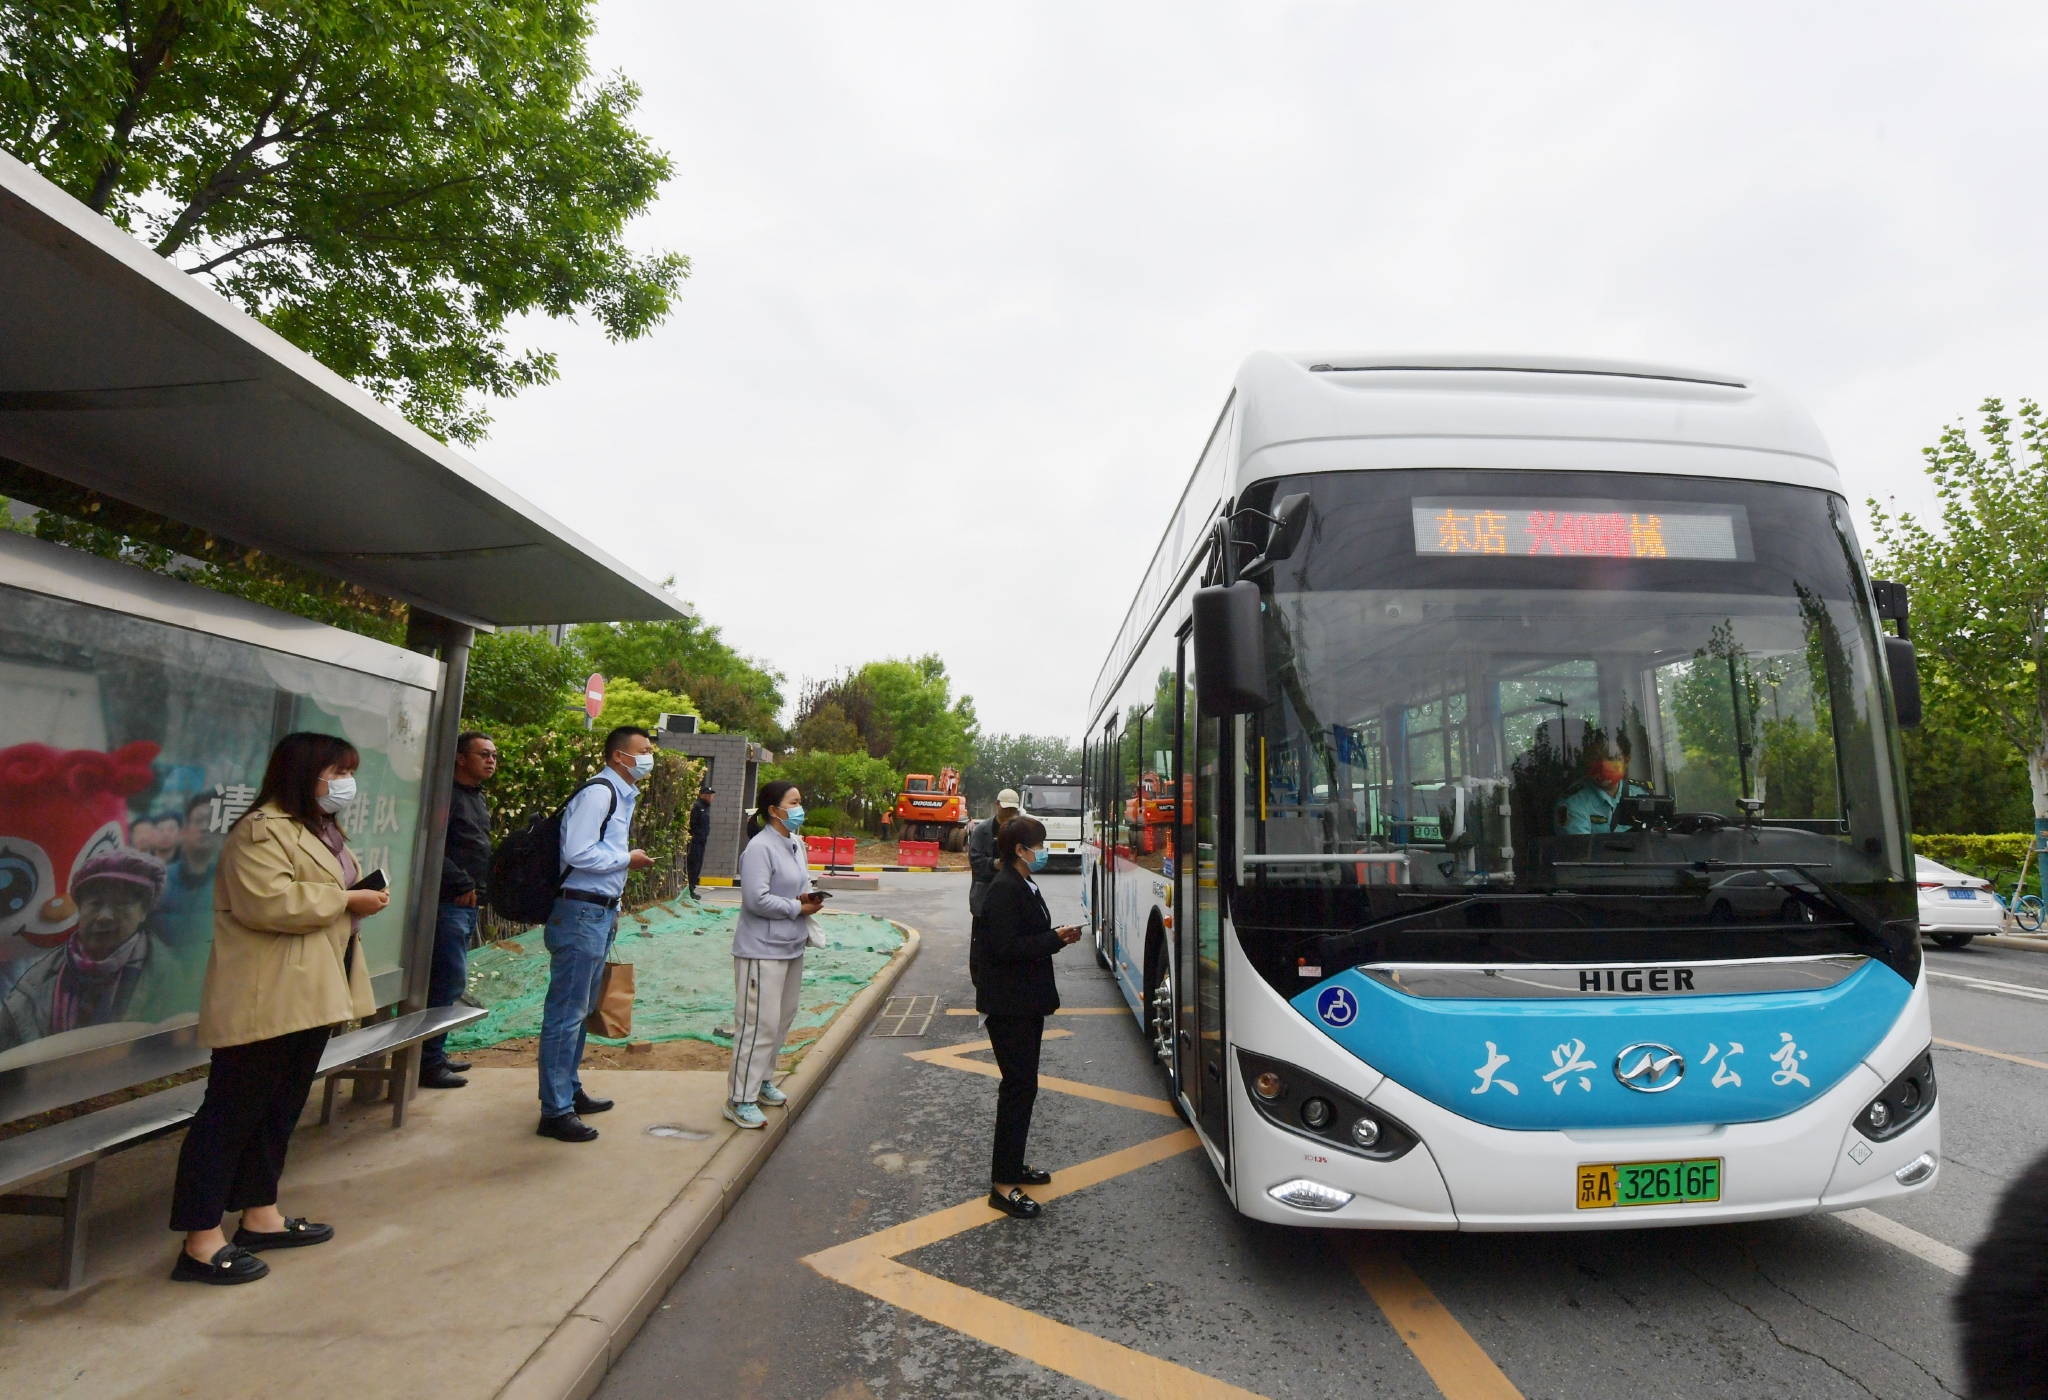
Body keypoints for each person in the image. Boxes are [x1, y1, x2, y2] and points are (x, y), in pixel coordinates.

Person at [167, 731, 389, 1285]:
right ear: (305, 772)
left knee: (278, 1107)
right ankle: (199, 1240)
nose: (345, 784)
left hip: (310, 991)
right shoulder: (262, 829)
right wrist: (346, 900)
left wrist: (356, 898)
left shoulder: (318, 828)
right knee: (231, 1111)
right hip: (267, 995)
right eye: (337, 771)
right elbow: (268, 901)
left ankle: (260, 1214)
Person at [535, 726, 656, 1143]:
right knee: (566, 1013)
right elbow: (579, 852)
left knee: (581, 1010)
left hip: (598, 912)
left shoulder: (620, 795)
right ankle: (554, 1111)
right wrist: (628, 859)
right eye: (642, 751)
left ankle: (567, 1090)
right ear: (619, 756)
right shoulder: (600, 793)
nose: (648, 758)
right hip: (580, 912)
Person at [972, 816, 1083, 1219]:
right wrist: (1053, 938)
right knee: (1017, 1089)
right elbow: (1004, 948)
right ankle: (1003, 1185)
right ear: (1020, 850)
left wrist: (1056, 936)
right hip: (1009, 1006)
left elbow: (1023, 937)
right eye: (1039, 844)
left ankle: (1014, 1166)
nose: (1044, 851)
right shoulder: (1003, 889)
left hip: (1025, 1003)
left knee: (1024, 1088)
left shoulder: (1023, 883)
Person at [0, 848, 189, 1051]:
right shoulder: (37, 980)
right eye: (95, 904)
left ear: (143, 911)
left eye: (121, 904)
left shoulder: (169, 978)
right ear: (79, 909)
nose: (104, 916)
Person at [727, 780, 824, 1130]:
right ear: (773, 810)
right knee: (758, 1024)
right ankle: (740, 1098)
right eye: (794, 802)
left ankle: (763, 1079)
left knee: (782, 1018)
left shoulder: (794, 843)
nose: (800, 808)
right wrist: (796, 909)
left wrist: (810, 898)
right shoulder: (759, 848)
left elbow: (798, 886)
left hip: (791, 946)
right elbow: (755, 899)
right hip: (761, 950)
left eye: (800, 801)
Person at [420, 731, 497, 1090]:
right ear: (460, 759)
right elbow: (430, 844)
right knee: (447, 980)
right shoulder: (445, 796)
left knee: (449, 982)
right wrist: (461, 882)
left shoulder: (476, 798)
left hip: (466, 905)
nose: (491, 760)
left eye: (494, 755)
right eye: (483, 754)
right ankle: (427, 1063)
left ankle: (436, 1053)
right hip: (447, 903)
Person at [151, 791, 225, 951]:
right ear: (184, 830)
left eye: (212, 821)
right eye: (199, 820)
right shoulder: (159, 882)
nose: (205, 827)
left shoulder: (230, 887)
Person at [1553, 731, 1651, 835]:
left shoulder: (1640, 795)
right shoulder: (1573, 802)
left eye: (1611, 758)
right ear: (1586, 761)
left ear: (1626, 761)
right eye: (1595, 758)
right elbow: (1581, 848)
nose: (1603, 765)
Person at [966, 788, 1021, 928]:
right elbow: (975, 861)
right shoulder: (982, 830)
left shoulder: (1021, 830)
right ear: (997, 804)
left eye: (1012, 809)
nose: (1008, 813)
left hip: (1012, 893)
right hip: (985, 893)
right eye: (1005, 808)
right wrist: (995, 864)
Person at [687, 785, 716, 899]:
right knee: (693, 865)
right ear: (702, 795)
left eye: (711, 794)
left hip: (702, 841)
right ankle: (689, 889)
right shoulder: (697, 806)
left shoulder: (706, 807)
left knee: (698, 864)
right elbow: (693, 824)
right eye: (708, 794)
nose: (710, 796)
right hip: (695, 841)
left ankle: (692, 888)